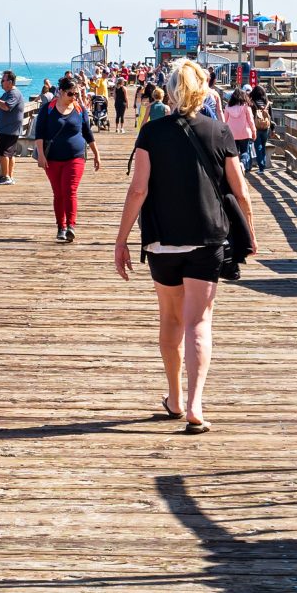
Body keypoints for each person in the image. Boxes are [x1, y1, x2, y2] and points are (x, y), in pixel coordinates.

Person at [113, 59, 255, 433]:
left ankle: (174, 397)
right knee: (199, 323)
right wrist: (250, 235)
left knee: (171, 319)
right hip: (208, 239)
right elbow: (241, 192)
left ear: (173, 91)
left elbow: (138, 189)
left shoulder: (152, 133)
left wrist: (121, 239)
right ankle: (194, 405)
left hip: (162, 240)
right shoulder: (219, 131)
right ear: (203, 91)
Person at [33, 74, 102, 243]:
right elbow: (39, 133)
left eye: (76, 94)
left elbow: (87, 132)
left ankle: (71, 226)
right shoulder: (47, 109)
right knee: (58, 193)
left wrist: (96, 153)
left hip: (75, 157)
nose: (74, 97)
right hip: (53, 158)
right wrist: (41, 155)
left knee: (69, 190)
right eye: (71, 94)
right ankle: (61, 227)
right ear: (61, 92)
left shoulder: (79, 109)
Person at [0, 70, 25, 183]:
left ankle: (5, 176)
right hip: (10, 129)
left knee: (3, 153)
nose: (1, 82)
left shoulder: (13, 93)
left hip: (8, 129)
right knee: (9, 154)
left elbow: (7, 106)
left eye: (3, 80)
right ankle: (9, 176)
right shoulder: (7, 93)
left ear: (10, 82)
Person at [222, 87, 258, 174]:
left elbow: (224, 121)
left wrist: (222, 134)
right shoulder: (246, 107)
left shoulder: (227, 107)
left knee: (234, 152)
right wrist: (254, 132)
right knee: (244, 151)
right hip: (244, 133)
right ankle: (242, 164)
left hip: (232, 134)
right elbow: (251, 121)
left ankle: (236, 168)